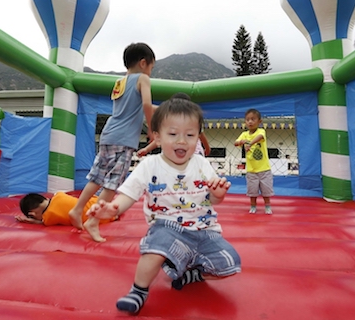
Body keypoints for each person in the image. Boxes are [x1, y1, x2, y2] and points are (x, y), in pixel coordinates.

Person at [86, 97, 241, 315]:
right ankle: (138, 291)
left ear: (197, 137)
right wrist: (113, 208)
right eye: (173, 134)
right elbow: (128, 193)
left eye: (189, 135)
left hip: (205, 230)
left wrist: (217, 194)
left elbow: (214, 200)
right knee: (154, 251)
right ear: (157, 137)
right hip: (167, 227)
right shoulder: (150, 165)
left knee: (230, 263)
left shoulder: (202, 164)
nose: (181, 141)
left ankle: (191, 274)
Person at [68, 43, 155, 241]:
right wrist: (152, 129)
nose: (150, 72)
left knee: (97, 177)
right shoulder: (143, 79)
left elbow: (136, 107)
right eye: (151, 68)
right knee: (112, 182)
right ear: (143, 63)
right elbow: (146, 104)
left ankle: (77, 209)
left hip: (109, 134)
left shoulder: (119, 82)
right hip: (124, 139)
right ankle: (93, 221)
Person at [137, 92, 211, 158]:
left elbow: (201, 135)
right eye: (173, 134)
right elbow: (160, 139)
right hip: (173, 154)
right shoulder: (169, 121)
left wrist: (207, 148)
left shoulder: (192, 122)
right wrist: (147, 149)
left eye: (189, 135)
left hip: (194, 154)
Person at [234, 108, 274, 214]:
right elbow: (235, 143)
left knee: (266, 190)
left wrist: (250, 143)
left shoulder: (261, 131)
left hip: (264, 168)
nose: (250, 122)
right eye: (247, 120)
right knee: (252, 191)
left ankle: (267, 206)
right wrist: (241, 142)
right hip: (251, 169)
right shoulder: (244, 134)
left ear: (259, 121)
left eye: (253, 119)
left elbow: (260, 137)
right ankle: (253, 206)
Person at [16, 192, 117, 226]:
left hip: (102, 217)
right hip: (99, 203)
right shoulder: (59, 194)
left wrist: (33, 222)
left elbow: (43, 222)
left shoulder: (49, 216)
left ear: (33, 214)